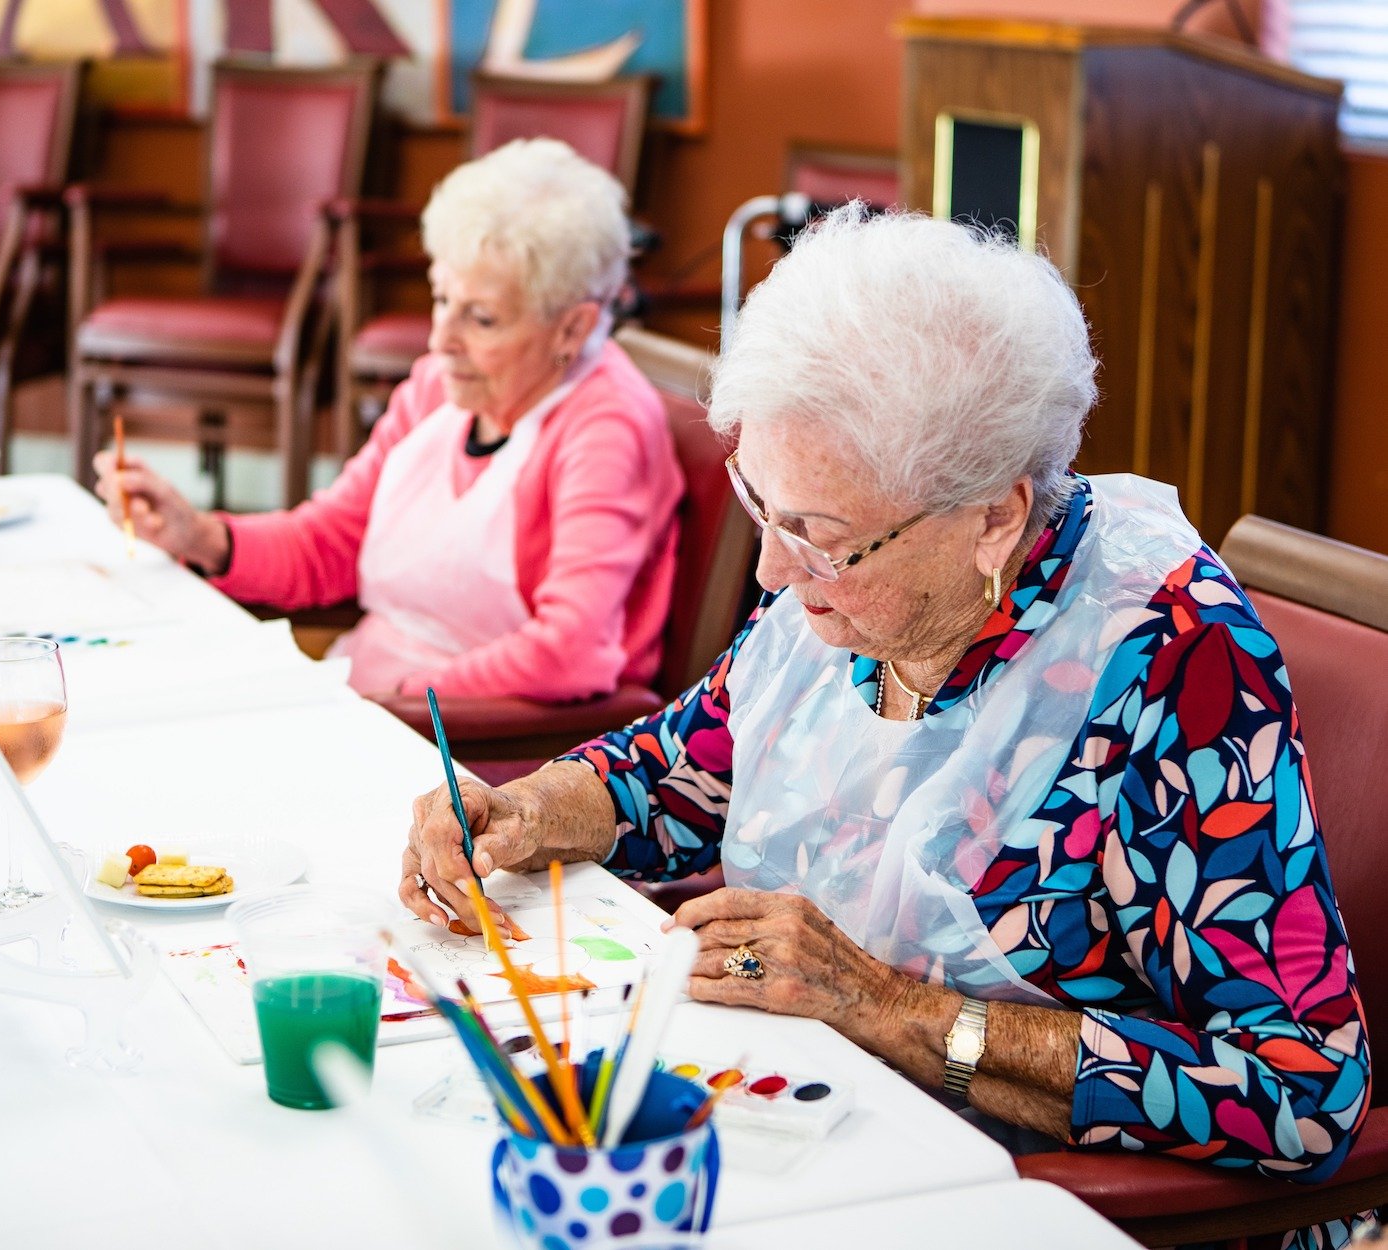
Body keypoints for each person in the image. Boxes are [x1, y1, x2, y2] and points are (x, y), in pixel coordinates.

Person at [403, 209, 1372, 1247]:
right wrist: (532, 805)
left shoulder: (1173, 669)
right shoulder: (858, 591)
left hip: (1023, 1205)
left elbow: (1297, 1089)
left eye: (815, 537)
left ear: (993, 515)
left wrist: (884, 1005)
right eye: (759, 506)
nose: (772, 572)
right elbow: (681, 769)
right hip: (819, 1145)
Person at [94, 139, 683, 702]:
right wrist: (198, 535)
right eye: (441, 298)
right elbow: (327, 545)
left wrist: (398, 700)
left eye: (481, 319)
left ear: (573, 329)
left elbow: (568, 654)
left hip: (485, 754)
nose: (440, 340)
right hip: (376, 697)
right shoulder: (435, 388)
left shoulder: (605, 423)